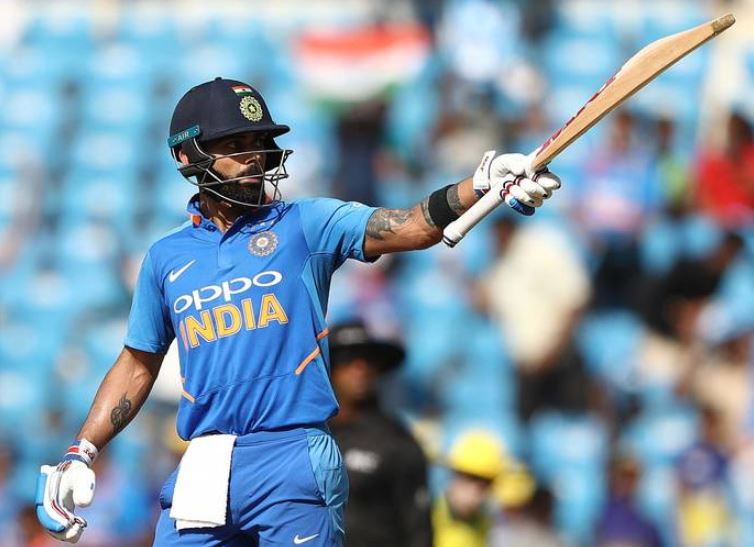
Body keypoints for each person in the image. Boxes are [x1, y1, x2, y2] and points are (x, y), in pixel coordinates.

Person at [35, 77, 561, 546]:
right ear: (188, 156)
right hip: (206, 459)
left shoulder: (306, 224)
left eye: (259, 145)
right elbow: (138, 363)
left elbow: (410, 226)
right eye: (234, 146)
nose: (253, 158)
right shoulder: (166, 258)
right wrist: (82, 451)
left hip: (292, 452)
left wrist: (480, 185)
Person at [328, 320, 433, 547]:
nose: (360, 368)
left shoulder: (397, 441)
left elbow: (419, 530)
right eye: (347, 359)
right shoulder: (303, 435)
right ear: (329, 368)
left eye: (368, 359)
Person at [434, 430, 507, 547]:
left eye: (487, 485)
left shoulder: (485, 525)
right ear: (456, 476)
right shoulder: (427, 517)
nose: (478, 494)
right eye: (472, 479)